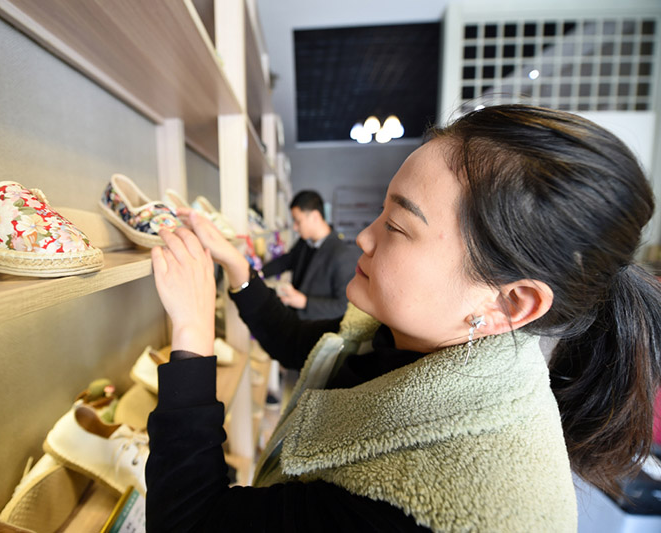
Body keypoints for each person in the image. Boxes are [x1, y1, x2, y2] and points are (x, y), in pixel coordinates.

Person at [145, 105, 661, 531]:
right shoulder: (411, 336)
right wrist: (237, 267)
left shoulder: (447, 504)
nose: (365, 237)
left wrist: (192, 335)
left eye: (396, 224)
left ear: (511, 303)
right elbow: (302, 345)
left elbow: (193, 521)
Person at [262, 190, 359, 320]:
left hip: (316, 328)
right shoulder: (304, 242)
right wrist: (259, 273)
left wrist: (304, 302)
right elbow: (287, 260)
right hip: (295, 321)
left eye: (298, 221)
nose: (295, 228)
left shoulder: (341, 254)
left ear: (315, 217)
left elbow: (343, 306)